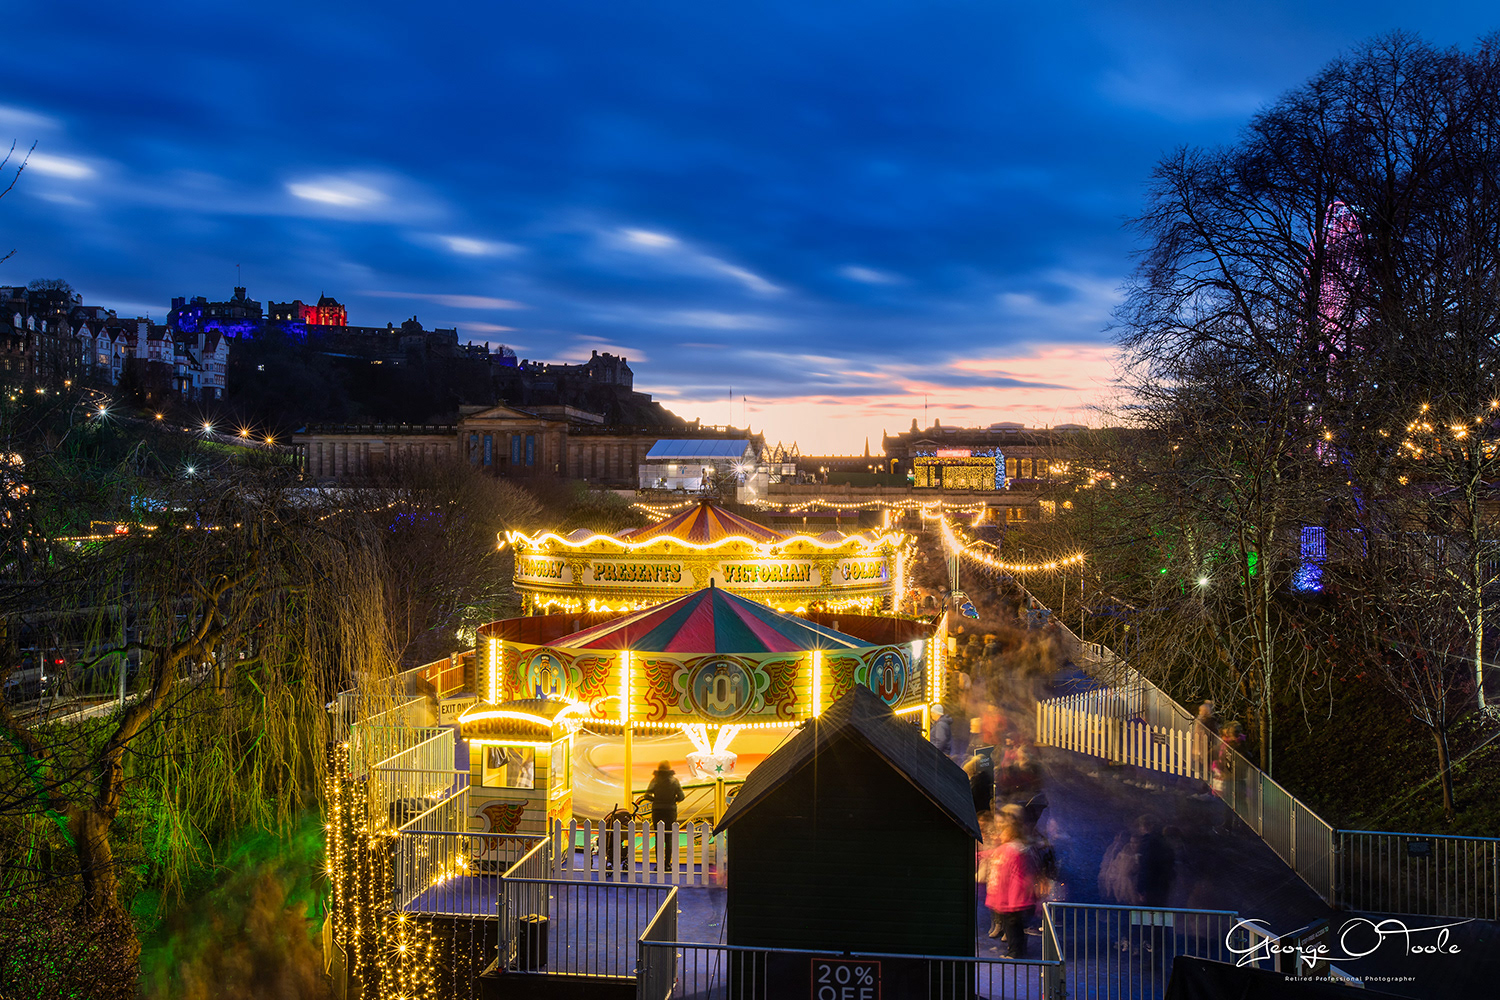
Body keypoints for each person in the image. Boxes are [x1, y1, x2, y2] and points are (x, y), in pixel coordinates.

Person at [982, 815, 1038, 957]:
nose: (1000, 834)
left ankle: (1015, 953)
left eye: (1004, 832)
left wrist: (1012, 900)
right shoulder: (1009, 849)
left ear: (1011, 833)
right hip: (1010, 898)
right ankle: (1014, 950)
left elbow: (1015, 878)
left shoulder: (1013, 851)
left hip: (1013, 899)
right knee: (1013, 926)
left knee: (1014, 926)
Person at [642, 760, 685, 870]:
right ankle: (667, 864)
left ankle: (659, 864)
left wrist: (656, 799)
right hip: (670, 810)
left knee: (659, 838)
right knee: (668, 838)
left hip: (657, 810)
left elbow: (646, 795)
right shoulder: (674, 781)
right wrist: (672, 800)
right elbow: (681, 796)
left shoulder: (655, 780)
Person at [1190, 701, 1217, 781]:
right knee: (1201, 765)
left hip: (1205, 747)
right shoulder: (1202, 721)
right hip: (1201, 747)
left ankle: (1204, 780)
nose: (1200, 712)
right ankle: (1202, 780)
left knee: (1204, 765)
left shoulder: (1205, 721)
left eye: (1201, 711)